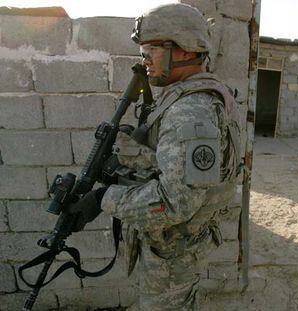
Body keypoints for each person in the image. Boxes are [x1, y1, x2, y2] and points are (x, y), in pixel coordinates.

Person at [66, 3, 241, 310]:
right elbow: (179, 166)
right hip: (176, 246)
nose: (143, 58)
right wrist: (135, 155)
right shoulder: (190, 95)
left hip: (175, 251)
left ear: (185, 50)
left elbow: (176, 202)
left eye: (151, 49)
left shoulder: (190, 110)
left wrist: (103, 198)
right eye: (142, 50)